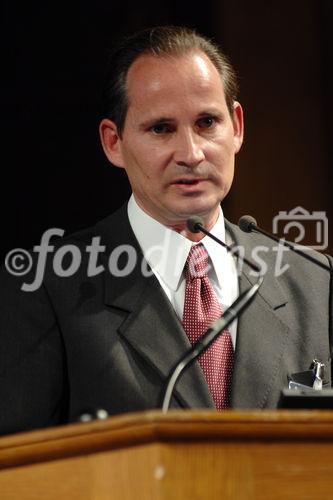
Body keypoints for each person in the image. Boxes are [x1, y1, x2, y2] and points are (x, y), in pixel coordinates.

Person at [0, 26, 332, 436]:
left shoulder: (316, 282)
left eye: (207, 122)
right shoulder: (47, 287)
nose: (191, 154)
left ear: (237, 127)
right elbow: (19, 471)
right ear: (113, 142)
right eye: (161, 129)